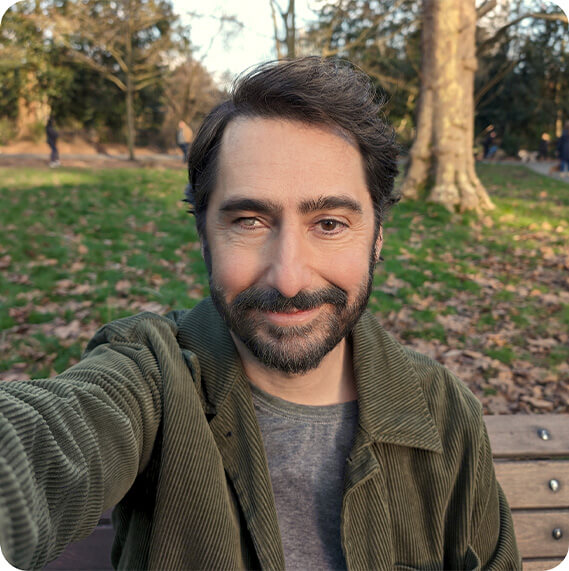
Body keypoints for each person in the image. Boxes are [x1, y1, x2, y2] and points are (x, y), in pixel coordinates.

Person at [0, 58, 520, 570]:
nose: (289, 279)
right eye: (249, 221)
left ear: (378, 237)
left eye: (330, 224)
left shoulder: (447, 413)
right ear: (204, 237)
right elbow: (43, 441)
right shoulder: (151, 377)